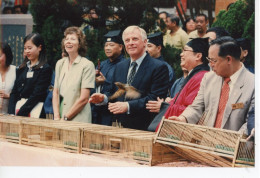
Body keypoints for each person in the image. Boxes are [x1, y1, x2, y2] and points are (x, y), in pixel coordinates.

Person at [90, 25, 169, 130]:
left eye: (135, 39)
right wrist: (103, 98)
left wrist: (128, 106)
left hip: (144, 128)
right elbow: (115, 93)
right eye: (127, 40)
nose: (130, 43)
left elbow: (154, 99)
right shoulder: (120, 66)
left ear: (145, 42)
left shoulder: (158, 67)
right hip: (119, 127)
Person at [170, 36, 254, 133]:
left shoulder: (253, 84)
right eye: (208, 59)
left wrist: (232, 141)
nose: (210, 64)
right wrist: (183, 118)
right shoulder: (209, 78)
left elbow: (251, 122)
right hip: (207, 142)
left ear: (228, 60)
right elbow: (197, 106)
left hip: (235, 144)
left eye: (213, 61)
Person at [146, 38, 210, 131]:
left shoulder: (201, 77)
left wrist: (164, 106)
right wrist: (168, 103)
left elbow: (192, 109)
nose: (181, 54)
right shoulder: (194, 75)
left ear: (198, 56)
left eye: (185, 50)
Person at [52, 26, 95, 123]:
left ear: (80, 44)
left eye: (73, 39)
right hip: (60, 119)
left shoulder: (87, 65)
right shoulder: (60, 63)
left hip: (79, 119)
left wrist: (66, 118)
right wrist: (57, 117)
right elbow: (56, 92)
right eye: (66, 39)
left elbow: (84, 99)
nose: (68, 42)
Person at [8, 33, 52, 118]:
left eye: (30, 48)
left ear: (39, 47)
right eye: (25, 48)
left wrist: (21, 113)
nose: (27, 51)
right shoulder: (21, 68)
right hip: (18, 108)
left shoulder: (45, 69)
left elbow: (37, 94)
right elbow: (14, 92)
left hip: (36, 110)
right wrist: (11, 112)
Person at [91, 30, 125, 126]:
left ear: (120, 47)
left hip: (112, 113)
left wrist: (105, 82)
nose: (108, 48)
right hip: (96, 111)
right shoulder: (102, 64)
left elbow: (121, 90)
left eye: (111, 45)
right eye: (106, 45)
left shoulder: (124, 65)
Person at [0, 42, 16, 114]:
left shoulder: (16, 71)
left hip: (11, 116)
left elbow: (21, 94)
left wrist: (9, 96)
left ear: (7, 55)